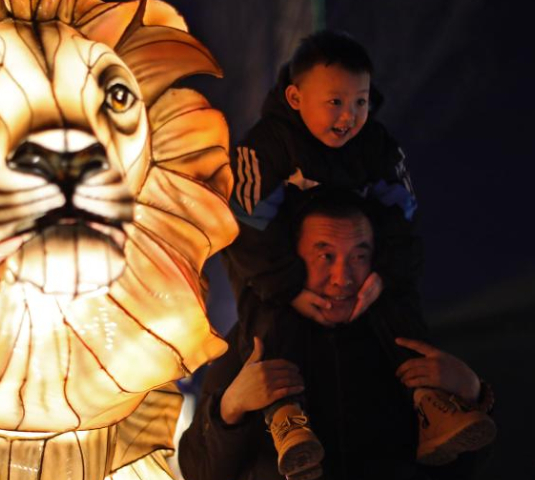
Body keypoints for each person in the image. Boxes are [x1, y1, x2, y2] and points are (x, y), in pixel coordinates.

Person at [222, 29, 451, 476]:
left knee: (399, 301)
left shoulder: (378, 146)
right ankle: (286, 414)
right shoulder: (264, 146)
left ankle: (432, 402)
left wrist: (383, 273)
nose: (349, 117)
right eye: (335, 102)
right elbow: (245, 227)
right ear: (294, 97)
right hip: (278, 269)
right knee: (266, 317)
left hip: (360, 266)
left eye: (360, 102)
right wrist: (290, 288)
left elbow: (402, 216)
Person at [179, 190, 496, 480]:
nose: (342, 278)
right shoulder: (255, 342)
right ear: (294, 260)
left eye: (359, 256)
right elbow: (199, 472)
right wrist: (230, 407)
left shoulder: (403, 344)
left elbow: (461, 468)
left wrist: (471, 393)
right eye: (325, 256)